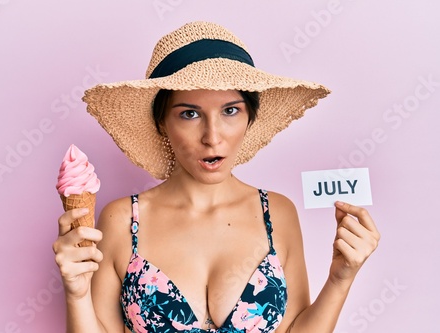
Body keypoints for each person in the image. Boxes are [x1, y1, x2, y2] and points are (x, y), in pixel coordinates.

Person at [53, 21, 380, 333]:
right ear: (162, 123)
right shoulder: (122, 219)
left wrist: (340, 277)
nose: (212, 136)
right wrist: (76, 293)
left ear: (250, 117)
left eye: (230, 110)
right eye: (189, 114)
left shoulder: (278, 213)